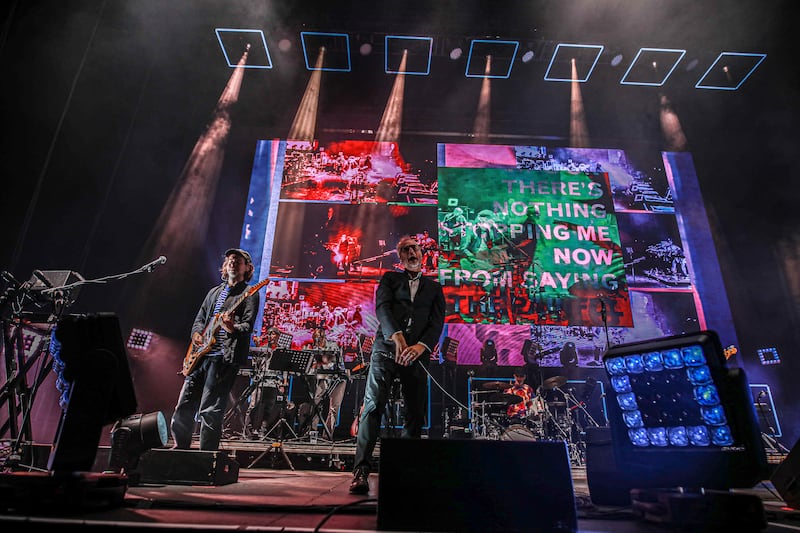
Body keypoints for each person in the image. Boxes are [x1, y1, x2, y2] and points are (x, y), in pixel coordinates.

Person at [349, 235, 445, 494]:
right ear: (400, 257)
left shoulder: (435, 288)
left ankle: (407, 470)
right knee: (373, 406)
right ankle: (360, 471)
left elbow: (436, 323)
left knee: (415, 411)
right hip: (385, 351)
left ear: (422, 253)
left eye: (414, 248)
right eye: (405, 249)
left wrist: (419, 347)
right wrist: (398, 339)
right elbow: (382, 309)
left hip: (416, 355)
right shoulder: (390, 279)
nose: (411, 252)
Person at [171, 248, 260, 451]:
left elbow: (247, 326)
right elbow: (200, 320)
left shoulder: (249, 294)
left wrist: (231, 327)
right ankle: (180, 447)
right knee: (184, 404)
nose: (232, 262)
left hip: (224, 357)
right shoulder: (214, 292)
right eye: (229, 260)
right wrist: (196, 335)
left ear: (247, 268)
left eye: (237, 260)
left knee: (210, 409)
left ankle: (206, 455)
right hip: (200, 357)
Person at [303, 327, 347, 441]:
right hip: (321, 379)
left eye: (319, 337)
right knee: (316, 404)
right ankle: (312, 433)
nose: (317, 340)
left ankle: (327, 435)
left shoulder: (333, 346)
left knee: (334, 408)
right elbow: (310, 368)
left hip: (337, 379)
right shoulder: (313, 348)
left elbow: (336, 364)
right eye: (315, 338)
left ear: (324, 337)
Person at [243, 326, 287, 439]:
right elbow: (256, 364)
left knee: (269, 407)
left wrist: (283, 382)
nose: (272, 336)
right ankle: (248, 430)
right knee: (254, 405)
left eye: (274, 334)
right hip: (261, 380)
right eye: (270, 334)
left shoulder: (281, 350)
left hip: (274, 382)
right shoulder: (262, 348)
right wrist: (258, 347)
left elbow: (284, 367)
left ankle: (263, 429)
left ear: (278, 336)